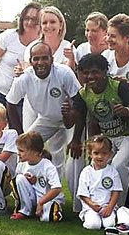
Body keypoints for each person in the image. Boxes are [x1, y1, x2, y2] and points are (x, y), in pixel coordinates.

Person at [68, 53, 129, 208]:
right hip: (108, 138)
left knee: (119, 166)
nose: (90, 76)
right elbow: (80, 117)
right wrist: (76, 139)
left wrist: (127, 112)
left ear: (104, 72)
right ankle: (97, 204)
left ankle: (119, 209)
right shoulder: (83, 94)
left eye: (94, 72)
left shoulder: (119, 86)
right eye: (86, 73)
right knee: (99, 166)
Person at [6, 42, 81, 176]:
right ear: (31, 61)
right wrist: (20, 134)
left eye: (45, 58)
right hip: (47, 119)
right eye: (36, 59)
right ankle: (22, 190)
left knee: (76, 156)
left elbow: (80, 102)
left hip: (71, 119)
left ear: (52, 59)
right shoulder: (24, 78)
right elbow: (10, 103)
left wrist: (76, 139)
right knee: (25, 147)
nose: (41, 62)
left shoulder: (64, 73)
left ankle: (75, 197)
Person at [0, 2, 41, 110]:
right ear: (21, 19)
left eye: (35, 19)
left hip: (23, 97)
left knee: (20, 127)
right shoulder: (8, 36)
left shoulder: (42, 43)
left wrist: (26, 72)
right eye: (26, 18)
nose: (30, 22)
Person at [9, 131, 64, 222]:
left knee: (48, 218)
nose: (18, 153)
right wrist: (26, 180)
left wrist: (41, 203)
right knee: (19, 179)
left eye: (21, 151)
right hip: (32, 197)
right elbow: (16, 186)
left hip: (46, 199)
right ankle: (25, 210)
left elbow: (57, 188)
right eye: (18, 150)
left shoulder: (47, 166)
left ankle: (54, 207)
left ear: (36, 152)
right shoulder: (21, 165)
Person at [76, 135, 121, 230]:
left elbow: (116, 191)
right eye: (96, 153)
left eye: (104, 153)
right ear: (89, 153)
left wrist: (110, 207)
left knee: (109, 225)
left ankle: (108, 216)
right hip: (91, 206)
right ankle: (87, 218)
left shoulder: (113, 172)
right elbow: (83, 194)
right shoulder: (86, 172)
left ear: (110, 154)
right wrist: (92, 205)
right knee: (94, 225)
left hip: (107, 206)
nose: (100, 157)